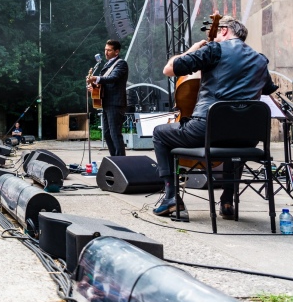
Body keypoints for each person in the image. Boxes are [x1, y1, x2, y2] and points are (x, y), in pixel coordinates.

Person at [152, 16, 277, 218]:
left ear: (225, 30)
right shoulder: (260, 59)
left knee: (159, 133)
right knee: (233, 137)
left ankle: (171, 197)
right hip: (248, 137)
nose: (215, 36)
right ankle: (227, 201)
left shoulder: (214, 50)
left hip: (205, 130)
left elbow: (169, 69)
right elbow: (268, 89)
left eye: (218, 32)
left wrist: (193, 48)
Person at [86, 39, 128, 157]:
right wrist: (94, 88)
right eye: (105, 49)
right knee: (107, 134)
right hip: (106, 103)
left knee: (115, 133)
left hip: (115, 103)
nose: (106, 52)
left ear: (116, 52)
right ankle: (114, 159)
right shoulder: (106, 64)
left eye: (109, 50)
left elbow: (113, 78)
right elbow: (104, 85)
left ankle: (121, 161)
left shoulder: (121, 64)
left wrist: (95, 79)